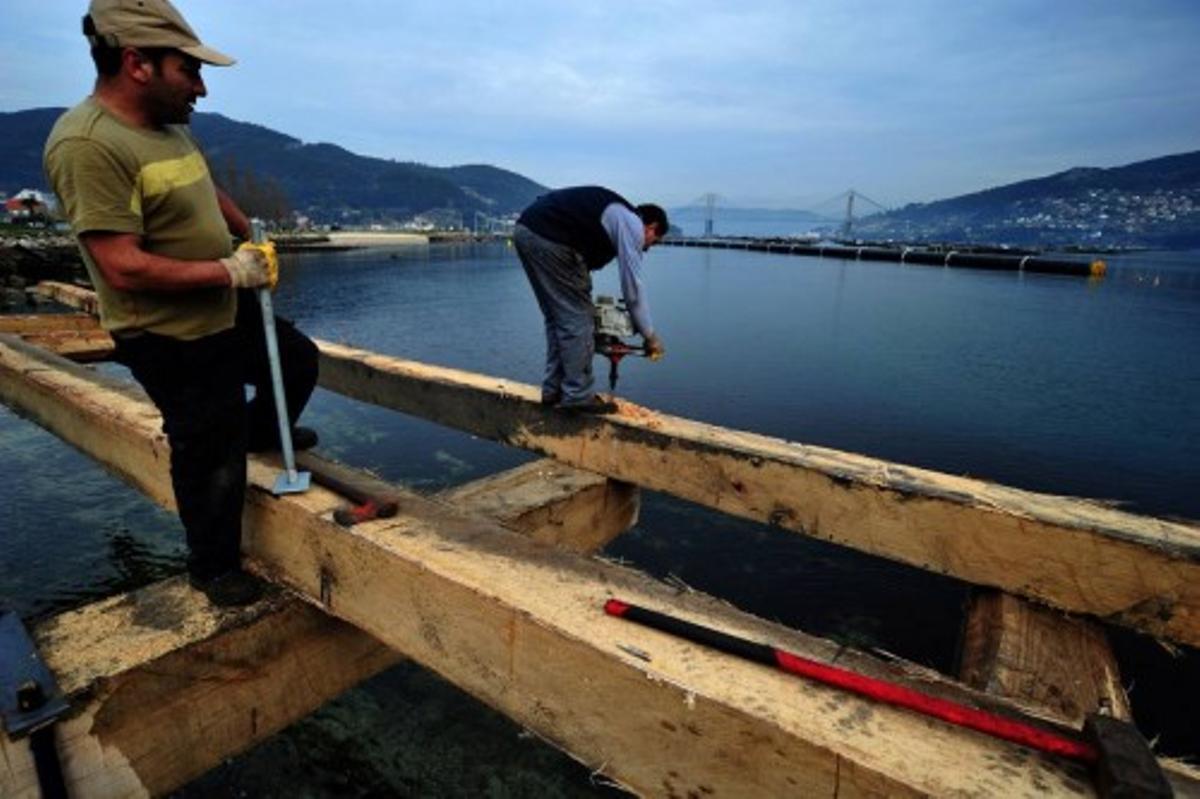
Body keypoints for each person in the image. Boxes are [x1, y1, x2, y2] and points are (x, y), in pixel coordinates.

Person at [44, 0, 319, 607]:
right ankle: (213, 569)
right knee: (208, 450)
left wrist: (244, 228)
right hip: (168, 331)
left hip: (221, 304)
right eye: (189, 71)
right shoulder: (88, 145)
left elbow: (201, 184)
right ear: (138, 63)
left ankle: (260, 433)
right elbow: (121, 265)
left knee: (298, 360)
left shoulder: (167, 130)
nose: (200, 87)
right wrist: (229, 270)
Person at [513, 186, 668, 413]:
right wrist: (649, 335)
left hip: (527, 231)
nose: (647, 249)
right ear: (651, 227)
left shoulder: (610, 215)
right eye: (654, 241)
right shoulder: (632, 223)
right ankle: (577, 395)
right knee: (579, 319)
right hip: (551, 238)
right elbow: (632, 289)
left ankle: (553, 390)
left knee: (558, 318)